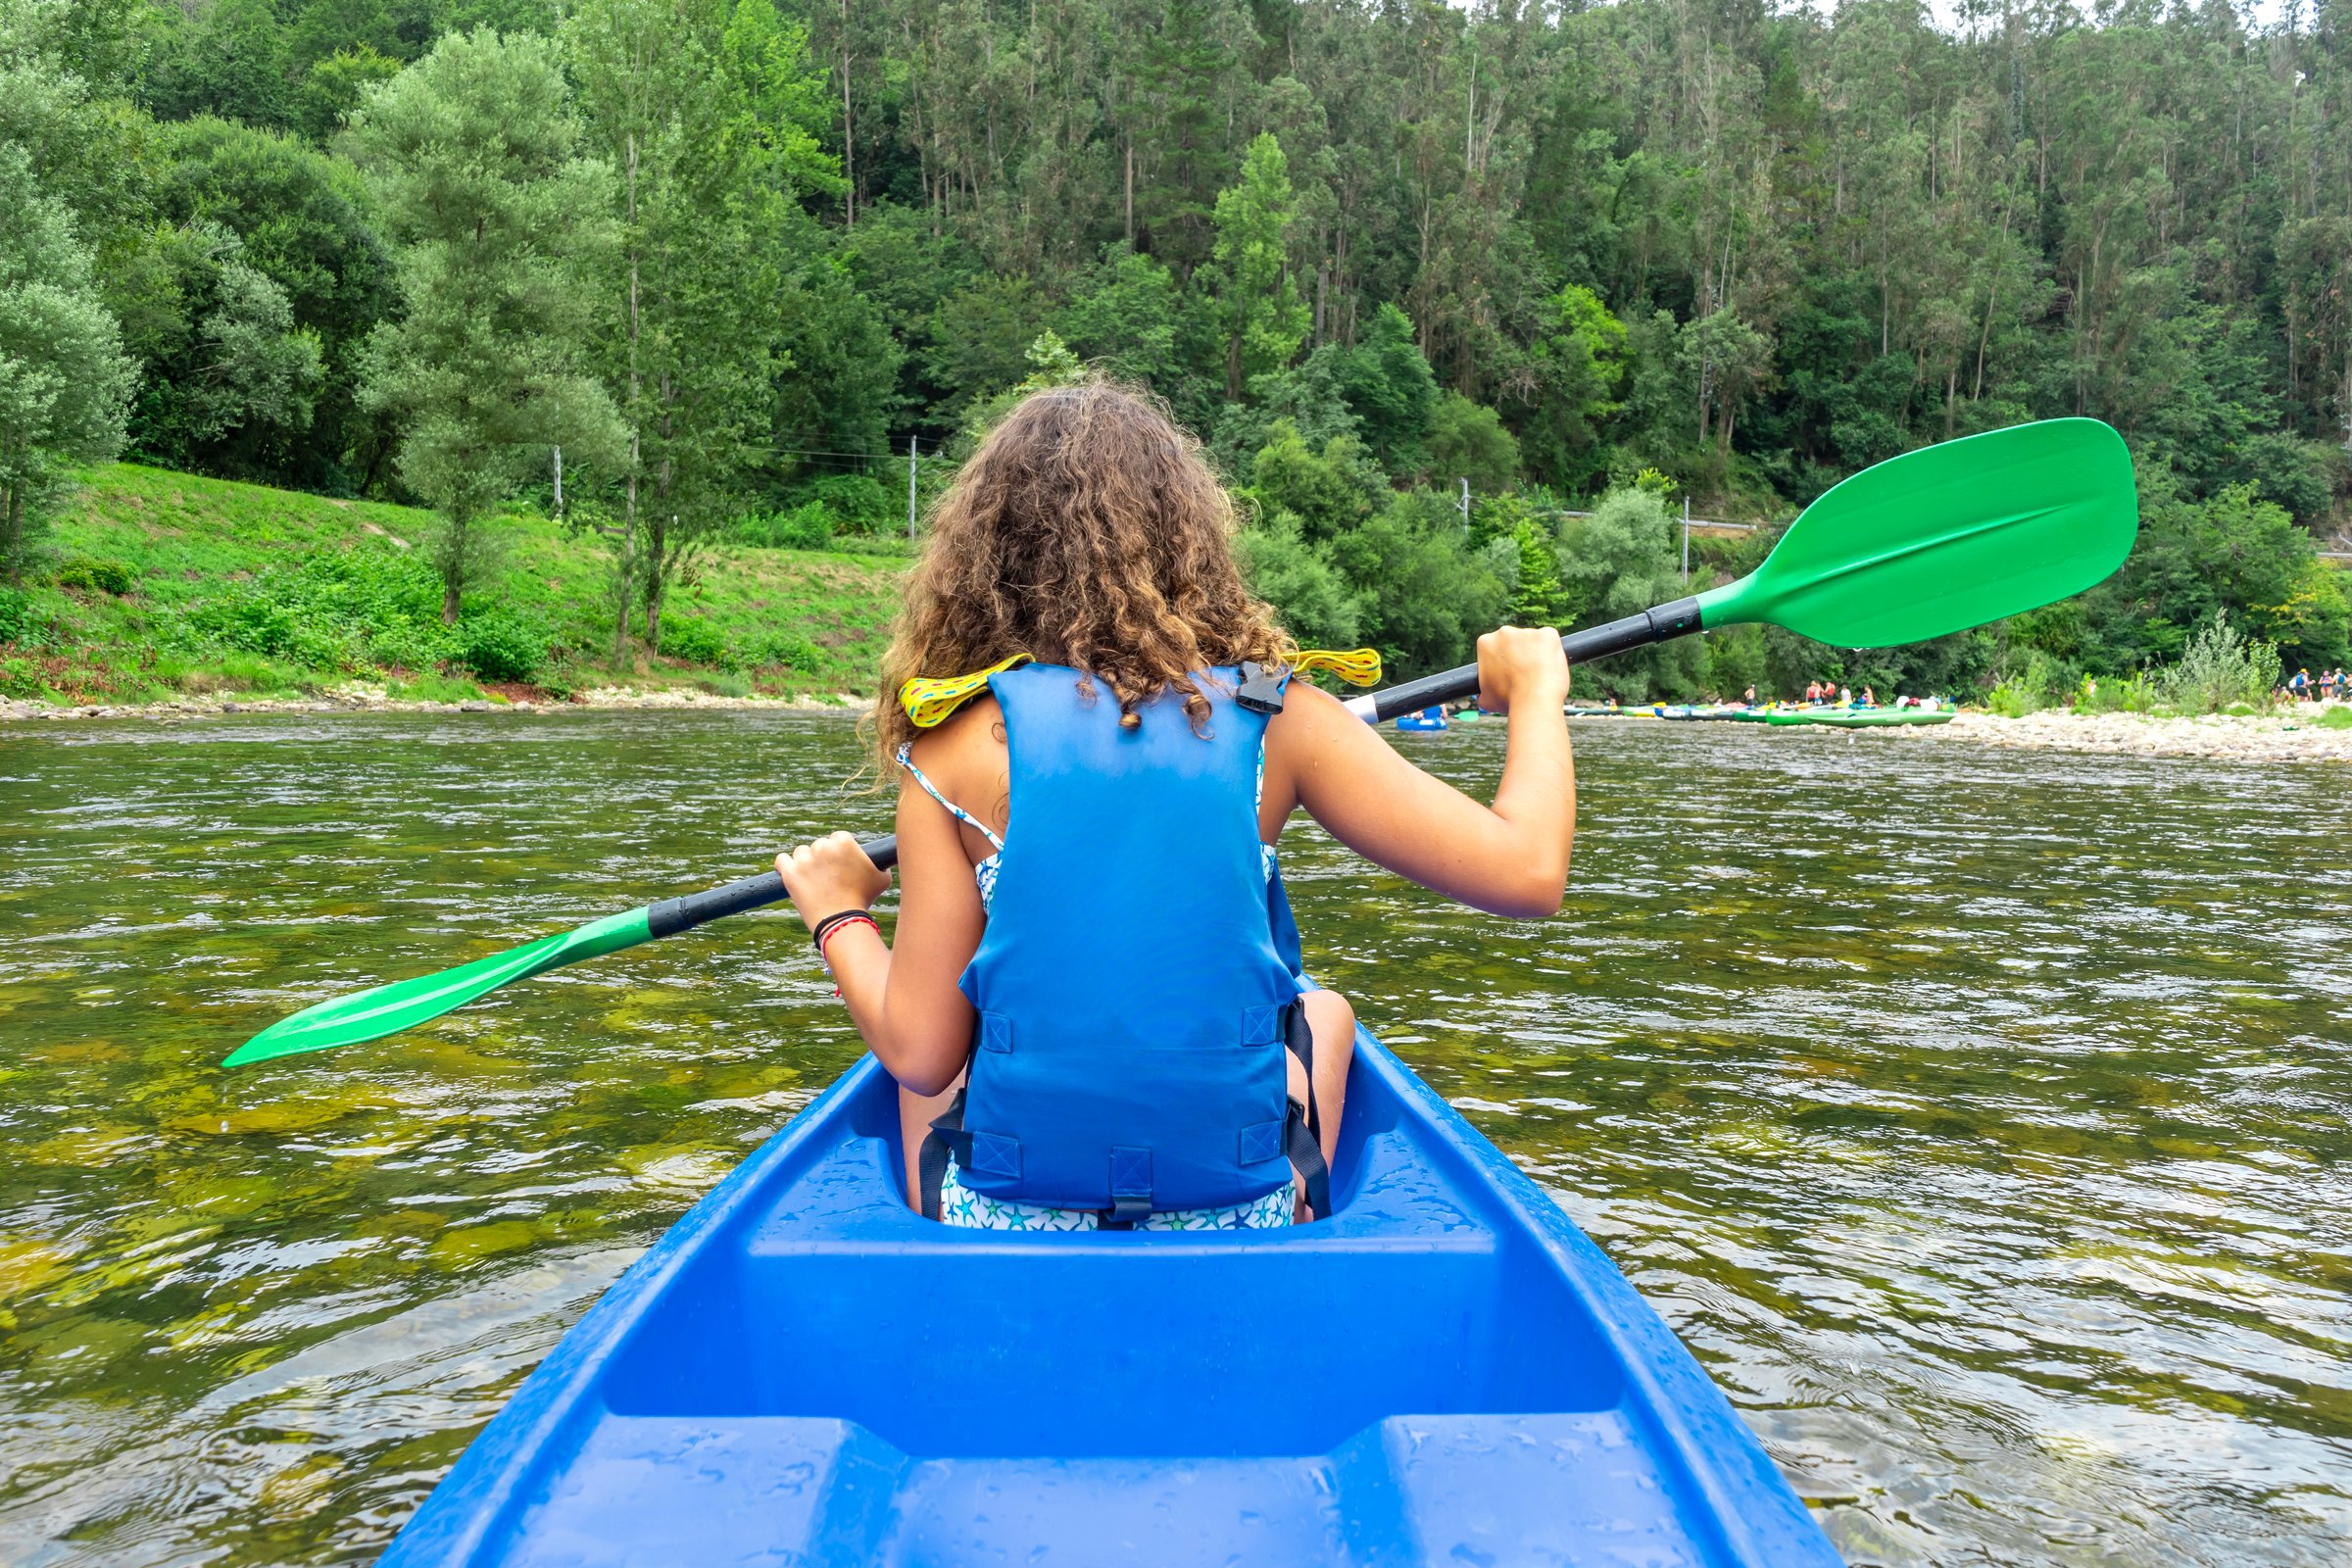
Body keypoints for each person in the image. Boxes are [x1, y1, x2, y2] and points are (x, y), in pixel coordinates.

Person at [771, 382, 1577, 1232]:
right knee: (1325, 1014)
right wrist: (1536, 690)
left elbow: (922, 1053)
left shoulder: (948, 746)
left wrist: (839, 916)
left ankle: (944, 1245)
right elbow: (1528, 871)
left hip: (1007, 1218)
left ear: (982, 561)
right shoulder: (1280, 718)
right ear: (1189, 541)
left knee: (917, 1060)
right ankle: (1295, 1223)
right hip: (1240, 1213)